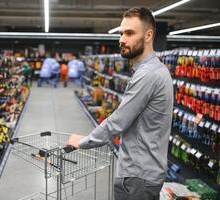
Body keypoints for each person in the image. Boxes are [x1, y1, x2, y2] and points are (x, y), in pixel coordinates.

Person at [67, 7, 173, 200]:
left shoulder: (148, 74)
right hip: (138, 171)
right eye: (121, 33)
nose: (122, 39)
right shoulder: (151, 70)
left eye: (130, 33)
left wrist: (83, 142)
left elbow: (118, 121)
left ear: (148, 35)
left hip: (139, 176)